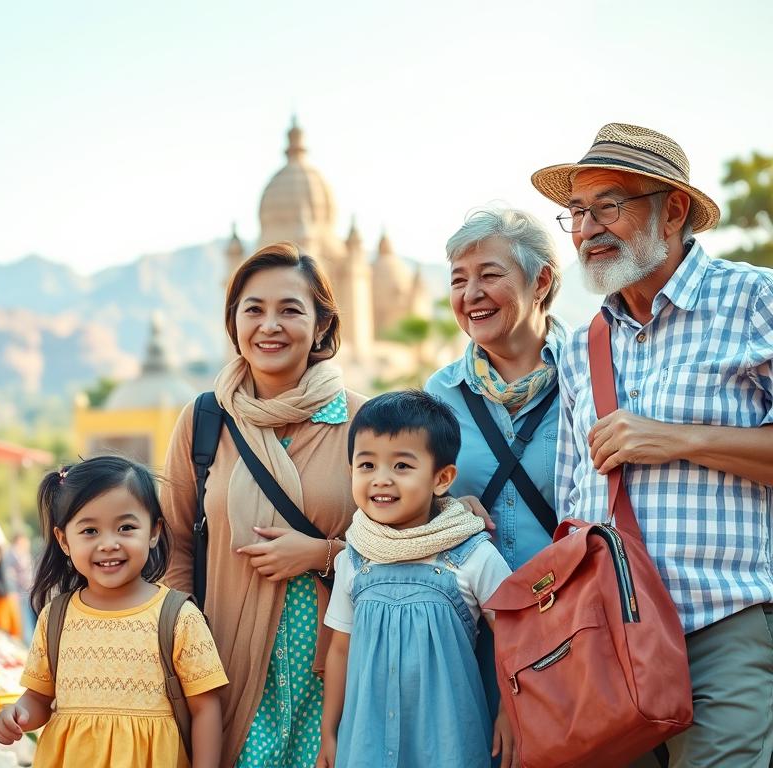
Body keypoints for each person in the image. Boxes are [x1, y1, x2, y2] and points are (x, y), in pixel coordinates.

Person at [532, 122, 773, 766]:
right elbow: (573, 504)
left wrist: (679, 440)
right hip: (607, 641)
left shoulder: (755, 300)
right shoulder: (584, 345)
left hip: (720, 628)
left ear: (672, 211)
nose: (586, 229)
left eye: (608, 205)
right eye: (577, 212)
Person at [163, 241, 366, 768]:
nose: (269, 325)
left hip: (334, 674)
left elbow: (401, 547)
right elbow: (175, 544)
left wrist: (323, 554)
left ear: (321, 326)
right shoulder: (204, 422)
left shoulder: (362, 424)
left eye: (290, 310)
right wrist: (185, 656)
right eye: (253, 309)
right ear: (234, 323)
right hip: (224, 667)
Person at [317, 391, 515, 768]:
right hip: (366, 745)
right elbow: (340, 649)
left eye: (402, 466)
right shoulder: (353, 559)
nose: (381, 480)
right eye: (367, 465)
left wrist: (509, 712)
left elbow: (516, 636)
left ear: (442, 478)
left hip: (449, 745)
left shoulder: (472, 555)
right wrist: (329, 731)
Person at [424, 207, 565, 728]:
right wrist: (443, 506)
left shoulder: (590, 379)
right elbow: (409, 505)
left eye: (489, 274)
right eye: (459, 280)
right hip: (469, 635)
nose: (471, 294)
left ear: (541, 281)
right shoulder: (439, 394)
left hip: (568, 629)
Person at [0, 456, 227, 768]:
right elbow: (38, 698)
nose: (108, 544)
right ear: (64, 540)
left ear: (153, 531)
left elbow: (205, 709)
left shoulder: (178, 618)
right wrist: (18, 713)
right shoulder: (56, 618)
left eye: (126, 527)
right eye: (90, 531)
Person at [4, 530, 37, 645]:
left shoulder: (22, 554)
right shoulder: (14, 554)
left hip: (27, 593)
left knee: (28, 622)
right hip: (19, 594)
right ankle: (27, 645)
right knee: (24, 624)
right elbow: (11, 575)